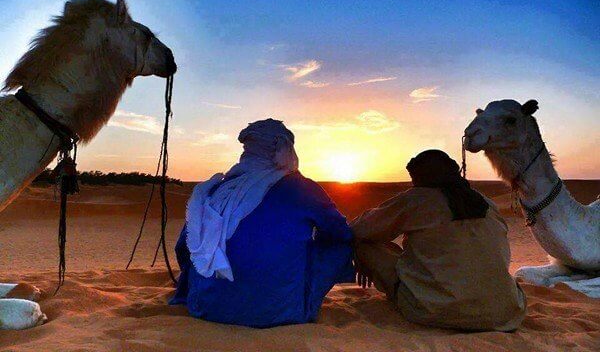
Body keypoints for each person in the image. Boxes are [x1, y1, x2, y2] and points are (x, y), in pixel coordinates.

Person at [170, 119, 354, 327]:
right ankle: (298, 299)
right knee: (337, 246)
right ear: (285, 148)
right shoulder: (301, 188)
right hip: (278, 313)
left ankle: (216, 294)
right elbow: (341, 232)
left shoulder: (216, 191)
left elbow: (185, 246)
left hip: (205, 307)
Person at [351, 150, 526, 332]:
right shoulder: (487, 203)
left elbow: (360, 229)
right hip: (507, 312)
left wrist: (361, 255)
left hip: (436, 310)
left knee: (364, 244)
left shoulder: (419, 199)